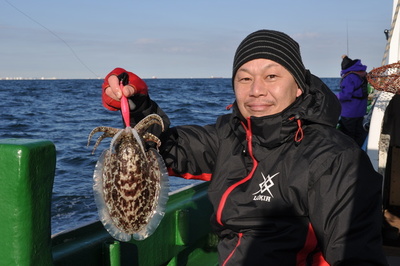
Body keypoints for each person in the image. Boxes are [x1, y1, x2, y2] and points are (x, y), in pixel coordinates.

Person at [101, 30, 387, 265]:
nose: (256, 90)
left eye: (272, 76)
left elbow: (355, 255)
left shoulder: (334, 158)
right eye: (245, 78)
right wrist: (137, 104)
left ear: (299, 86)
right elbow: (165, 149)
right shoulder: (228, 135)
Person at [337, 55, 369, 147]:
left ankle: (349, 153)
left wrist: (334, 96)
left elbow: (346, 95)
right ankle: (358, 151)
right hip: (360, 111)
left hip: (349, 113)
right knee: (358, 134)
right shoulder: (362, 75)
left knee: (347, 135)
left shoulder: (349, 77)